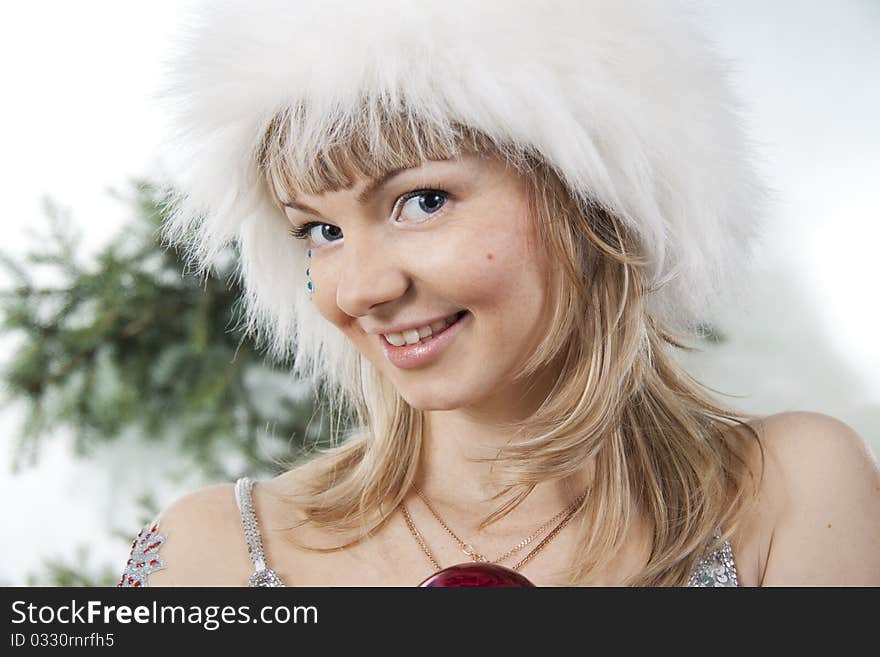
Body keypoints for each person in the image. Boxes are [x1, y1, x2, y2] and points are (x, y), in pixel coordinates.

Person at [117, 0, 880, 587]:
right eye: (319, 230)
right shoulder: (209, 553)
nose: (361, 289)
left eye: (422, 201)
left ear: (590, 200)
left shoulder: (788, 488)